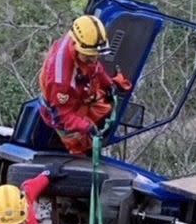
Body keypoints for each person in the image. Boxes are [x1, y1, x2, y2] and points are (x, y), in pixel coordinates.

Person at [38, 14, 132, 155]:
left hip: (80, 94)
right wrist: (87, 127)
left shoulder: (82, 42)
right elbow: (62, 116)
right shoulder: (60, 79)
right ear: (76, 46)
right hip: (61, 110)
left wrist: (108, 83)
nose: (94, 58)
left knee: (104, 108)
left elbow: (94, 67)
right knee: (78, 146)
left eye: (96, 54)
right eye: (89, 55)